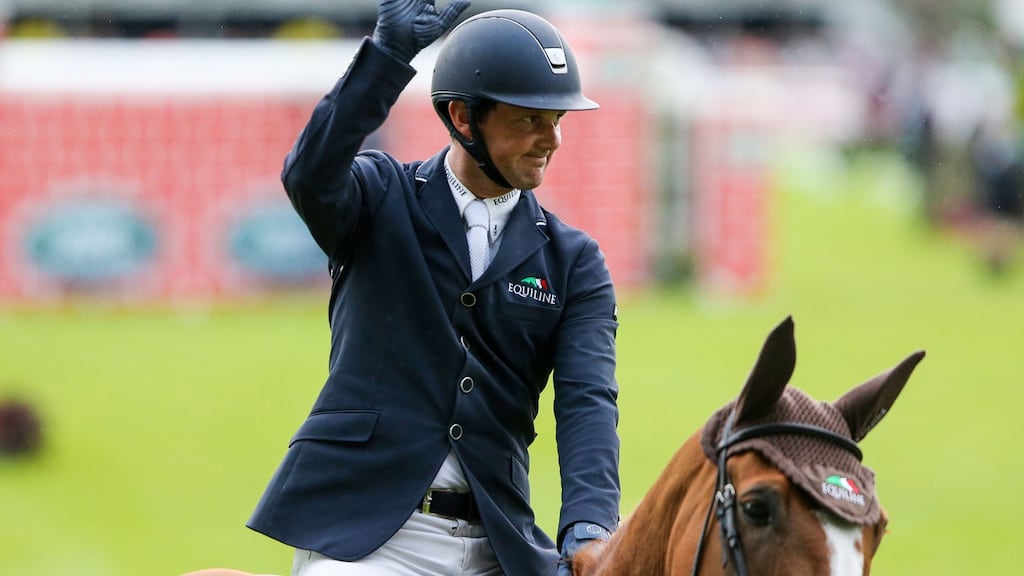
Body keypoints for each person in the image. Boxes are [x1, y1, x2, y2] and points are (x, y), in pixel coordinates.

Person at [246, 1, 621, 575]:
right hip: (367, 542)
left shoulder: (575, 262)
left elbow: (586, 400)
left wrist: (590, 527)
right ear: (464, 119)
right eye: (529, 120)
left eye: (558, 120)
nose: (552, 140)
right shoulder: (379, 196)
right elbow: (310, 175)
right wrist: (387, 57)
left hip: (502, 546)